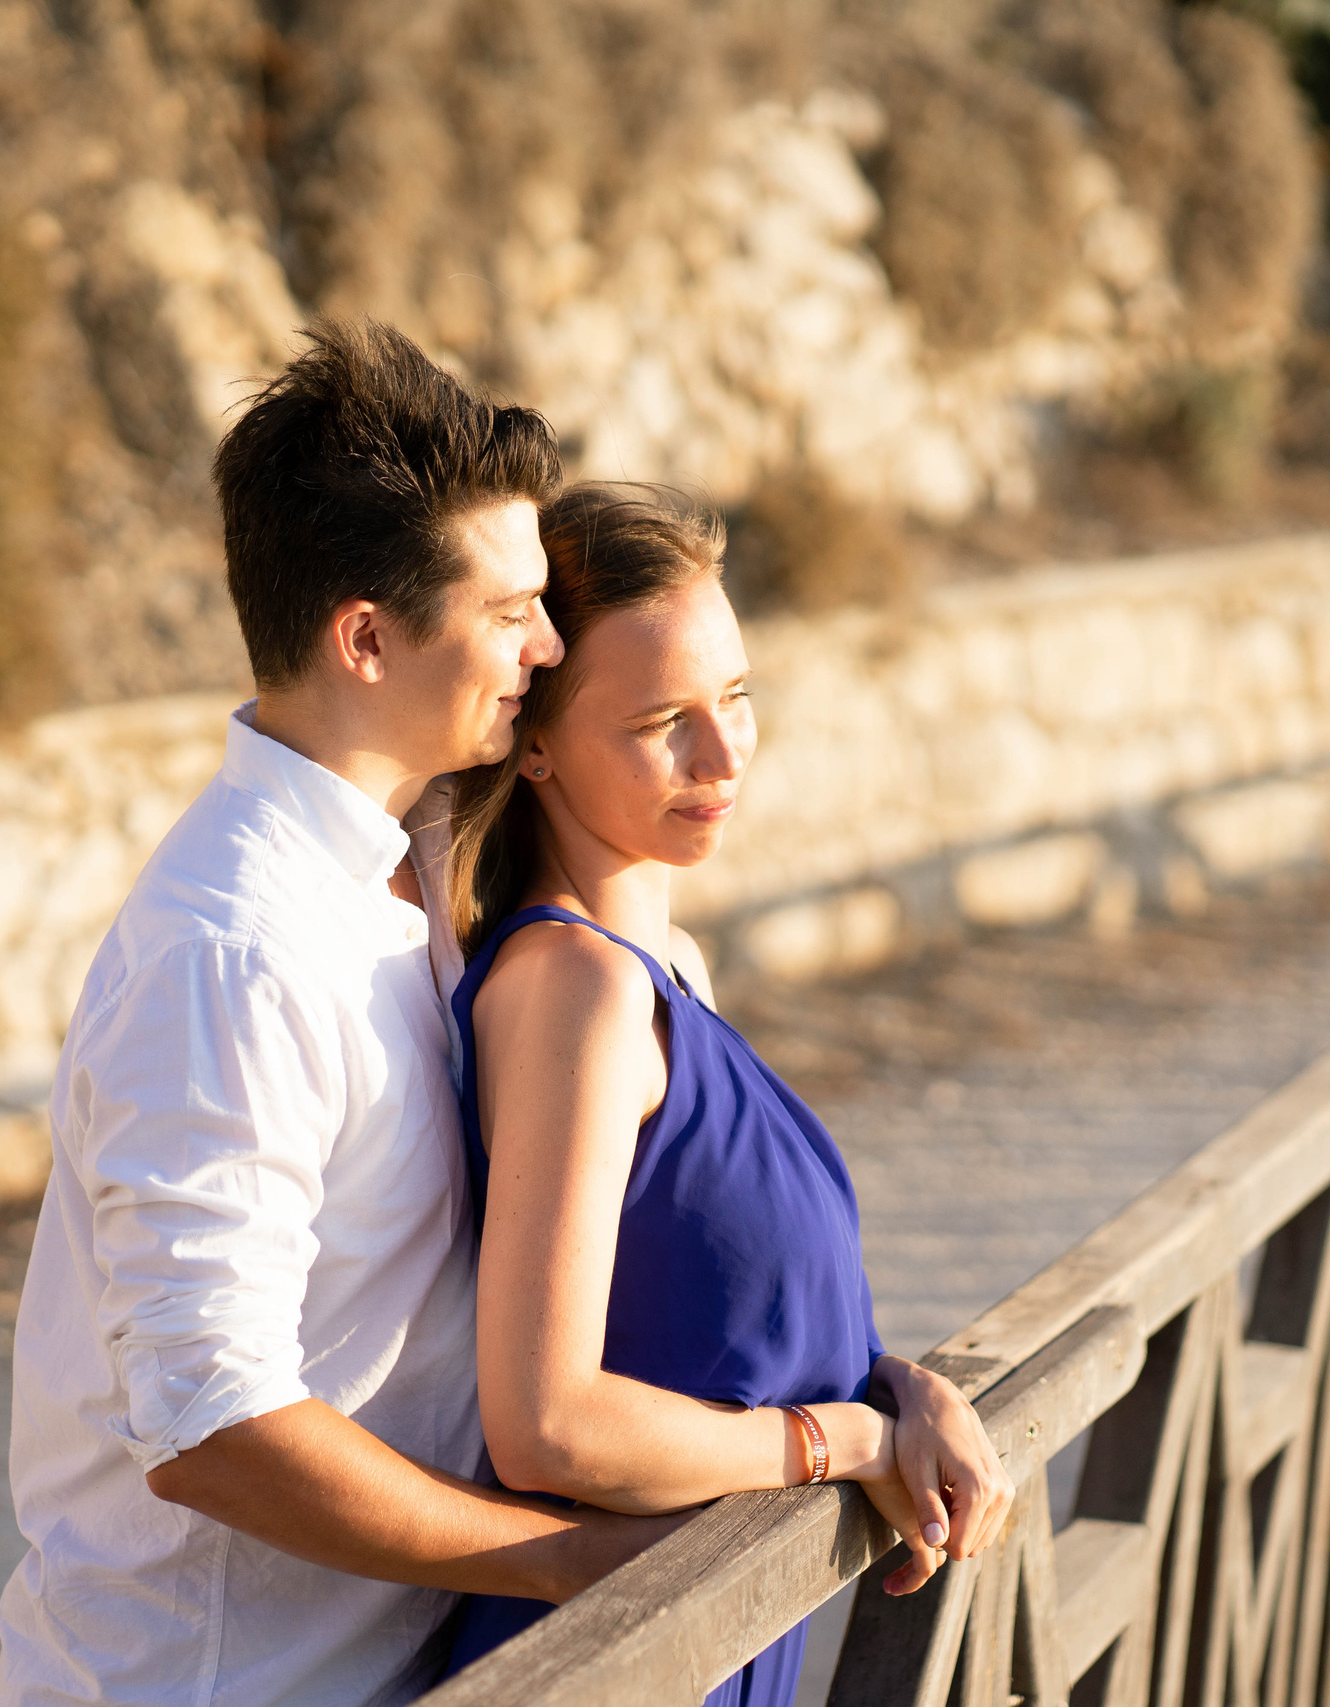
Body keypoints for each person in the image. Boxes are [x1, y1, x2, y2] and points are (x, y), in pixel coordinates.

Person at [0, 323, 673, 1707]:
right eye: (506, 613)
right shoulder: (229, 953)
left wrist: (863, 1395)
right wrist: (564, 1557)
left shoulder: (421, 866)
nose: (545, 645)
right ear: (365, 637)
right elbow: (210, 1422)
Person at [433, 488, 1014, 1705]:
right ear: (533, 743)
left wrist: (904, 1390)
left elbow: (716, 1330)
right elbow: (545, 1422)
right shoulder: (573, 994)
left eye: (736, 698)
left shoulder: (667, 974)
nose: (723, 754)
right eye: (663, 723)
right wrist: (840, 1443)